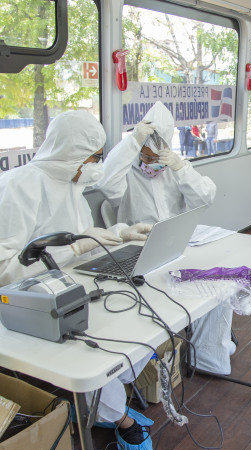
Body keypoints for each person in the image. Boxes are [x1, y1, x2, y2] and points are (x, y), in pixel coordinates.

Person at [0, 110, 155, 450]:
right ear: (70, 153)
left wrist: (118, 234)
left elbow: (79, 238)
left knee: (143, 319)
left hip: (71, 286)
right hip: (25, 303)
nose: (97, 166)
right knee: (99, 348)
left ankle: (101, 403)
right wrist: (73, 249)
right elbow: (3, 273)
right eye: (94, 157)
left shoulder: (70, 183)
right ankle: (119, 419)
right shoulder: (15, 187)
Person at [97, 102, 235, 376]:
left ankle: (207, 355)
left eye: (158, 158)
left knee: (220, 284)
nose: (152, 164)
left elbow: (205, 197)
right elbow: (105, 181)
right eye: (146, 157)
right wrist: (131, 142)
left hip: (179, 246)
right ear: (138, 151)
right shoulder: (125, 175)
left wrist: (180, 167)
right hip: (142, 252)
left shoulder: (174, 168)